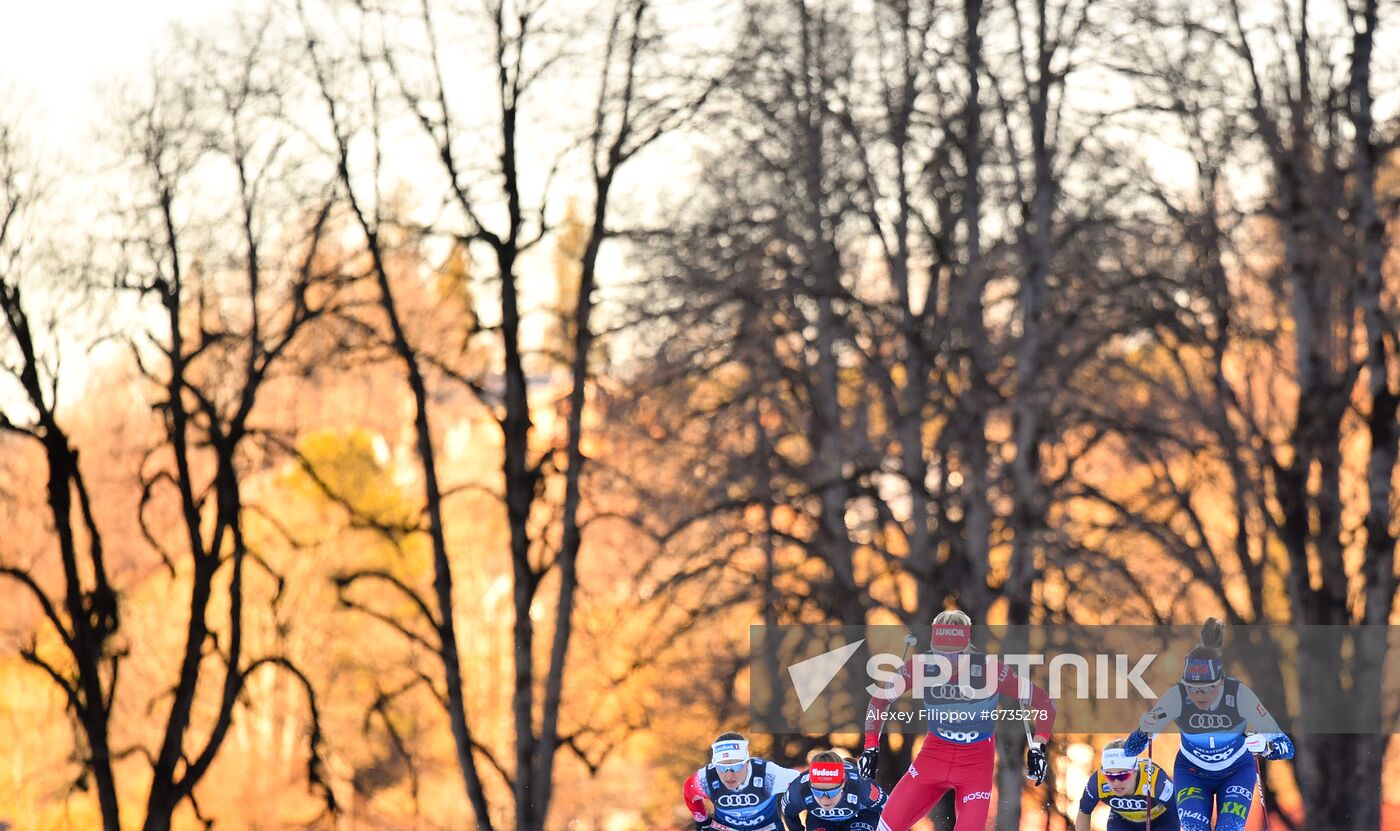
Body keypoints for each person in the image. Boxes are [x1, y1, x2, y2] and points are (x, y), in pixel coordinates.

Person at [860, 610, 1057, 831]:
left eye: (954, 654)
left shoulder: (988, 669)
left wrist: (1038, 747)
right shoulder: (922, 666)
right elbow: (879, 701)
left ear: (967, 648)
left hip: (975, 764)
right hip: (933, 757)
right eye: (940, 652)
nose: (946, 661)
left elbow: (1045, 703)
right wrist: (870, 747)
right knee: (884, 828)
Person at [1122, 618, 1294, 831]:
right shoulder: (1176, 697)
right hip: (1192, 773)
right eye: (1192, 688)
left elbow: (1286, 747)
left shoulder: (1239, 695)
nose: (1199, 695)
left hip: (1236, 771)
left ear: (1221, 682)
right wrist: (1143, 732)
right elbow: (1131, 749)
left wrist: (1267, 747)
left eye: (1207, 688)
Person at [685, 732, 801, 831]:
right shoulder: (705, 779)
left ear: (747, 762)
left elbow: (807, 784)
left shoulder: (769, 775)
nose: (729, 775)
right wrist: (702, 820)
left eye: (736, 767)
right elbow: (689, 793)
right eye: (721, 767)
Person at [1076, 740, 1178, 831]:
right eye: (1110, 776)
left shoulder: (1156, 780)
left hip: (1162, 821)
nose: (1116, 783)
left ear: (1135, 771)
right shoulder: (1098, 781)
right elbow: (1084, 811)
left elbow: (1179, 812)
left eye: (1122, 776)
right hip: (1123, 821)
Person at [781, 751, 887, 831]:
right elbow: (788, 814)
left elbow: (891, 809)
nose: (825, 799)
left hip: (862, 814)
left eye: (832, 792)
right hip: (821, 820)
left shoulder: (863, 788)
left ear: (843, 784)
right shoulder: (798, 791)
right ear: (809, 786)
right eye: (817, 792)